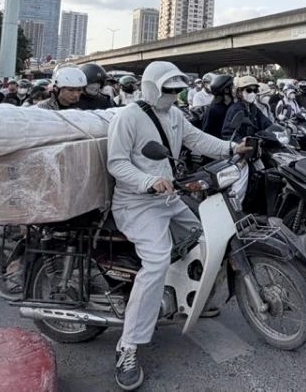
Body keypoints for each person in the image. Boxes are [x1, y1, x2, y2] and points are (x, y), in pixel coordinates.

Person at [105, 61, 252, 390]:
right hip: (136, 203)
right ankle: (128, 346)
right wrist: (147, 181)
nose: (172, 95)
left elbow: (197, 139)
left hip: (169, 198)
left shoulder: (173, 115)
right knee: (156, 260)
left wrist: (232, 147)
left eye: (176, 90)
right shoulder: (128, 117)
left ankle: (191, 297)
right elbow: (116, 163)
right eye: (167, 89)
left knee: (208, 236)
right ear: (151, 87)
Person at [223, 76, 273, 142]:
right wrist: (242, 141)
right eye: (249, 90)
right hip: (242, 146)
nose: (252, 93)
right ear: (239, 92)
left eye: (255, 90)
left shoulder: (253, 108)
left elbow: (265, 122)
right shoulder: (235, 109)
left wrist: (274, 130)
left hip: (256, 143)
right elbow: (227, 134)